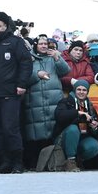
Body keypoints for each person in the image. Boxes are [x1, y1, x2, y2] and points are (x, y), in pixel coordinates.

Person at [0, 11, 32, 174]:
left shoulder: (15, 42)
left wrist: (22, 84)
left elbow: (25, 63)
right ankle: (4, 162)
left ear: (5, 26)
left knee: (10, 129)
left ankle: (17, 162)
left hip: (10, 92)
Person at [22, 34, 70, 169]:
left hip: (53, 100)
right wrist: (37, 75)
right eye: (40, 44)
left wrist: (57, 57)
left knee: (52, 132)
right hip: (34, 101)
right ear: (35, 46)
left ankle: (52, 163)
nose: (43, 46)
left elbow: (65, 71)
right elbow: (24, 78)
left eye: (45, 44)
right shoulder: (29, 59)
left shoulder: (52, 58)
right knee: (35, 132)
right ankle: (34, 163)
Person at [53, 80, 98, 171]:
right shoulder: (66, 102)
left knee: (94, 146)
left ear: (87, 92)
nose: (81, 92)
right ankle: (70, 161)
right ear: (74, 90)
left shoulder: (90, 106)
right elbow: (59, 116)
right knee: (73, 129)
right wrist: (78, 113)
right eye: (79, 89)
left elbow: (97, 126)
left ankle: (78, 160)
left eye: (84, 90)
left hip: (82, 138)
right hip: (63, 138)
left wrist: (94, 126)